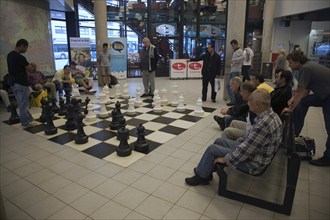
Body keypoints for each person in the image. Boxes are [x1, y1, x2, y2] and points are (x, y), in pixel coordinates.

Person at [185, 89, 283, 186]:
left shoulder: (264, 124)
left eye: (250, 101)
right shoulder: (272, 115)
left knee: (212, 149)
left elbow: (245, 151)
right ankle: (206, 170)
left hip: (253, 163)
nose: (248, 103)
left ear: (257, 103)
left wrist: (225, 159)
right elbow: (249, 139)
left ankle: (201, 176)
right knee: (219, 141)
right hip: (255, 154)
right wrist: (237, 143)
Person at [283, 51, 330, 166]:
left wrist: (291, 108)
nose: (289, 65)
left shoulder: (306, 69)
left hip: (327, 97)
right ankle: (293, 135)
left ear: (298, 61)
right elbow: (305, 92)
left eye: (290, 63)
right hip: (324, 95)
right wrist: (294, 100)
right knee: (303, 102)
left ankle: (328, 158)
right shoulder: (309, 66)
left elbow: (300, 91)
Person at [7, 39, 35, 128]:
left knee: (21, 103)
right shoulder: (20, 57)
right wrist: (32, 65)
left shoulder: (9, 55)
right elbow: (30, 69)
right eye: (26, 47)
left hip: (13, 83)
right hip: (21, 83)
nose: (26, 50)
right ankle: (25, 122)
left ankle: (29, 118)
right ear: (22, 46)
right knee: (24, 104)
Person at [227, 39, 243, 105]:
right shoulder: (236, 51)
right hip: (233, 70)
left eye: (233, 45)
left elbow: (241, 59)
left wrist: (233, 60)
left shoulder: (240, 51)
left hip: (236, 70)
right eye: (232, 45)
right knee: (229, 86)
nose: (232, 47)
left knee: (234, 86)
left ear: (236, 44)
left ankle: (234, 100)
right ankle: (233, 100)